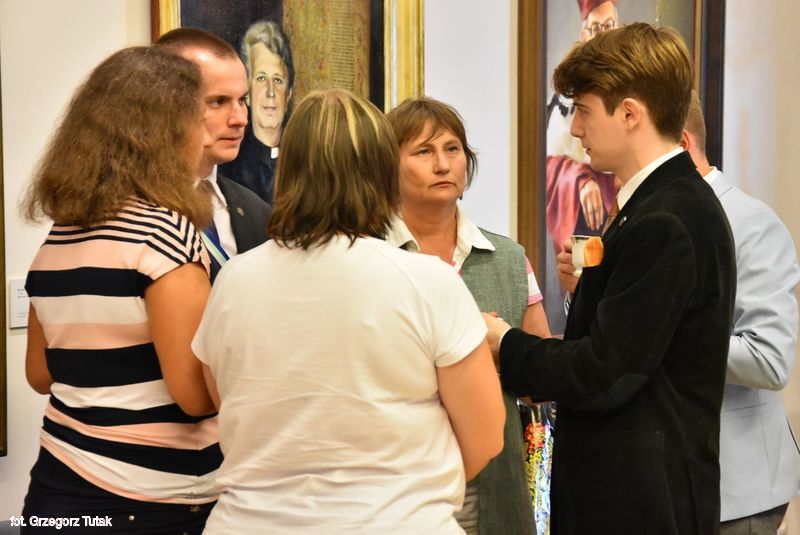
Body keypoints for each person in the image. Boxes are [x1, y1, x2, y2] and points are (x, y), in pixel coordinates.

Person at [192, 89, 505, 533]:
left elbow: (224, 400)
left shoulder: (233, 280)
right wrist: (407, 493)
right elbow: (485, 436)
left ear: (288, 173)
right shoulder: (427, 280)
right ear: (381, 174)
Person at [484, 23, 736, 534]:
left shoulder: (665, 219)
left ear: (629, 114)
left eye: (583, 110)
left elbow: (604, 372)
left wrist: (505, 343)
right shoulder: (658, 206)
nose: (576, 129)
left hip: (640, 506)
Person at [21, 46, 219, 534]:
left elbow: (41, 374)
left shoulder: (60, 237)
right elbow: (195, 397)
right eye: (199, 120)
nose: (206, 136)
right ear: (163, 134)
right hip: (151, 499)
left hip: (56, 488)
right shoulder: (164, 236)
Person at [385, 97, 550, 535]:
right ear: (388, 167)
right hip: (398, 485)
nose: (442, 164)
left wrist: (499, 345)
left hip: (493, 478)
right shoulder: (370, 255)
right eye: (423, 151)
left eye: (452, 149)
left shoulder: (507, 257)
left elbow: (539, 378)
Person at [680, 92, 800, 534]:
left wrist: (658, 333)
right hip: (665, 482)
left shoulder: (750, 222)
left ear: (681, 143)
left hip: (735, 490)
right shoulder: (634, 220)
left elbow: (769, 359)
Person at [156, 28, 272, 280]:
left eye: (242, 100)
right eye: (218, 102)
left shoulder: (256, 211)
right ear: (167, 103)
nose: (240, 119)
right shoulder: (128, 210)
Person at [545, 0, 622, 254]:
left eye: (609, 25)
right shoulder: (565, 98)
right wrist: (581, 180)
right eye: (596, 28)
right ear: (584, 34)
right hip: (584, 212)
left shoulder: (635, 88)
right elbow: (550, 166)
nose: (603, 35)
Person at [219, 20, 294, 204]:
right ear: (248, 93)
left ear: (289, 94)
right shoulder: (229, 168)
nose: (270, 92)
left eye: (278, 80)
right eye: (261, 78)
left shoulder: (303, 163)